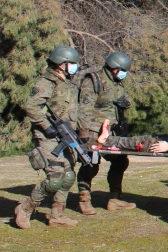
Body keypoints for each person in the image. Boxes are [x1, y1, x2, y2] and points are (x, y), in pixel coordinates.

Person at [14, 45, 108, 229]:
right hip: (49, 137)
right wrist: (46, 127)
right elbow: (31, 106)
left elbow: (74, 112)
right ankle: (25, 209)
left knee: (68, 176)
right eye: (71, 63)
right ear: (61, 64)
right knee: (55, 177)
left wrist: (82, 134)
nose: (74, 66)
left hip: (66, 135)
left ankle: (57, 215)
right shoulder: (47, 82)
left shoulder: (67, 82)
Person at [75, 51, 136, 215]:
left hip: (113, 131)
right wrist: (84, 135)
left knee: (120, 162)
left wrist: (126, 103)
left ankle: (115, 199)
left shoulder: (117, 82)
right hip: (94, 130)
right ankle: (84, 199)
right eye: (123, 70)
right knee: (90, 165)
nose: (124, 74)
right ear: (115, 67)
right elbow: (83, 110)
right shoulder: (93, 80)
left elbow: (123, 98)